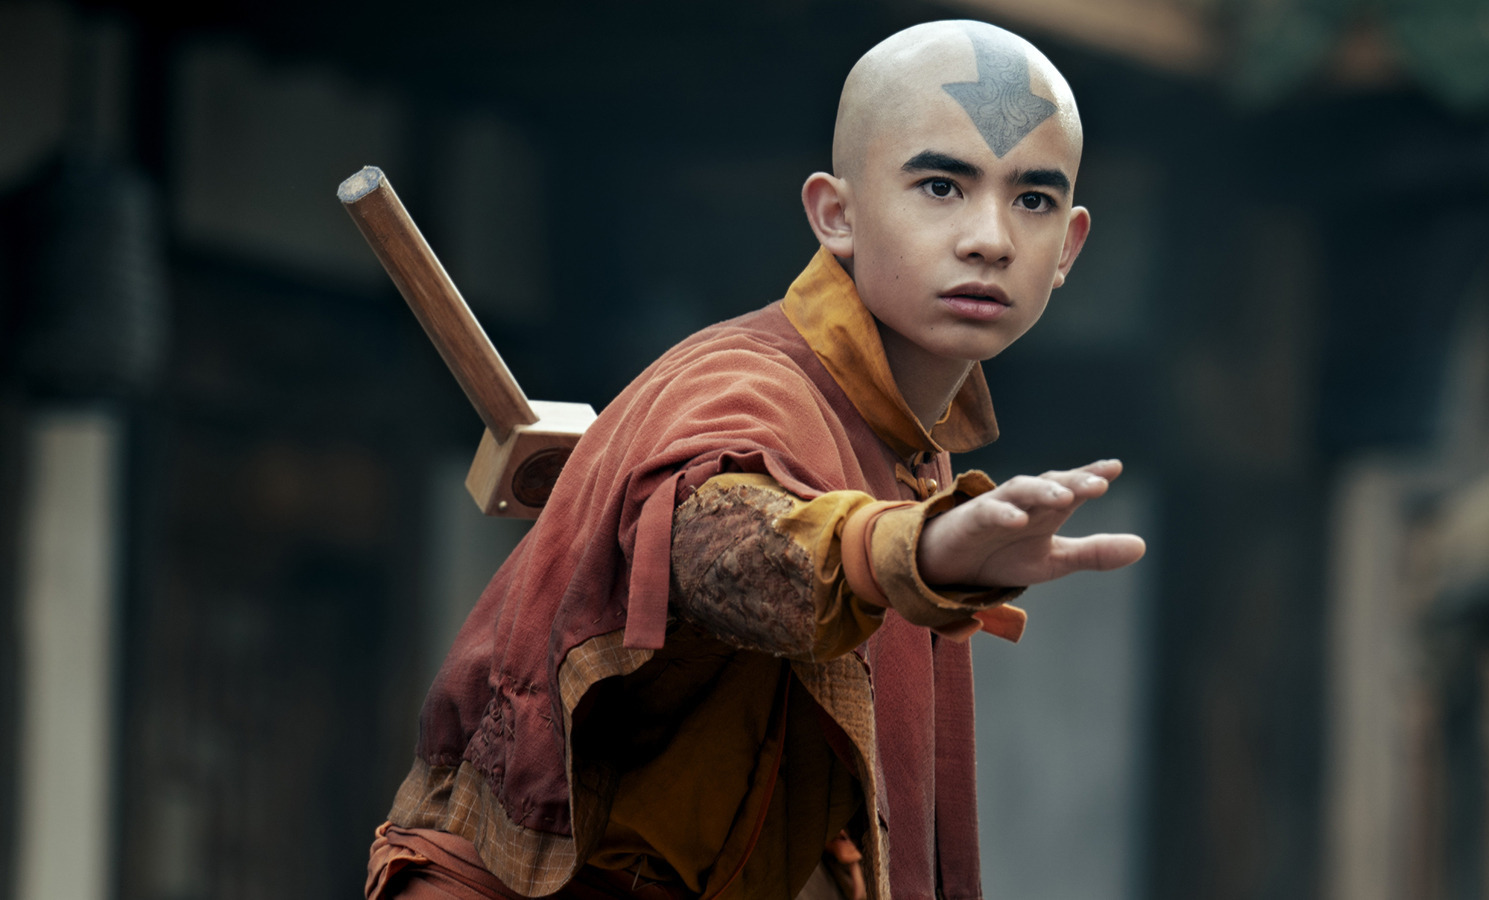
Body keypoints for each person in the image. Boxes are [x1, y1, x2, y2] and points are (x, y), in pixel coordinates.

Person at [366, 19, 1145, 900]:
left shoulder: (905, 441)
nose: (990, 238)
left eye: (1033, 200)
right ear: (836, 214)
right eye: (941, 186)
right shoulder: (747, 382)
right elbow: (720, 542)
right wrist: (911, 550)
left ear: (1069, 246)